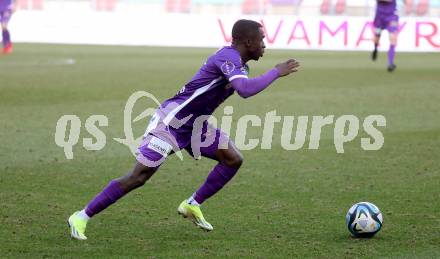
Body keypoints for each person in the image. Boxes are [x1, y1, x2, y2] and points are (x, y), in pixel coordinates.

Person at [67, 19, 300, 240]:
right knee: (139, 176)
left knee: (232, 158)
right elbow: (245, 90)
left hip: (195, 125)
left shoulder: (241, 66)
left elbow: (243, 85)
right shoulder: (227, 57)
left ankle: (192, 204)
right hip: (172, 122)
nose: (264, 45)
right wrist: (276, 72)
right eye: (262, 39)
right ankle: (81, 216)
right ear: (248, 42)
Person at [371, 0, 400, 72]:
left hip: (392, 16)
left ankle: (390, 63)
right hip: (379, 17)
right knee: (377, 36)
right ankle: (375, 49)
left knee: (393, 38)